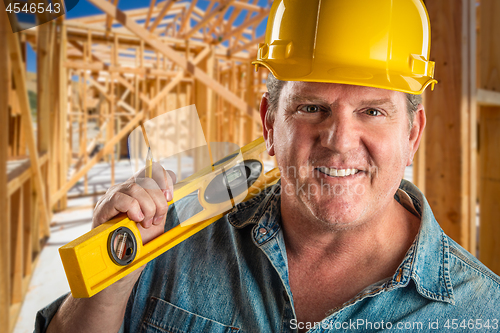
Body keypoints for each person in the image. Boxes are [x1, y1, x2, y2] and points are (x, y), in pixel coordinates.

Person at [37, 0, 500, 332]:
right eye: (311, 108)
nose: (338, 142)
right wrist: (107, 290)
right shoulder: (171, 238)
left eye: (372, 111)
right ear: (268, 123)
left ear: (413, 133)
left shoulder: (481, 312)